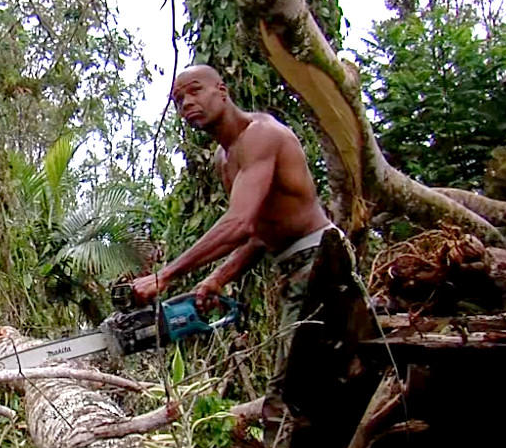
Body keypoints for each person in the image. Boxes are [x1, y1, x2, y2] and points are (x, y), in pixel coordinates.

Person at [132, 64, 349, 421]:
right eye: (178, 99)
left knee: (291, 392)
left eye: (195, 91)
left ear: (222, 89)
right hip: (295, 267)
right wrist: (218, 278)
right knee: (310, 385)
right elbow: (256, 233)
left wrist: (166, 275)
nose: (186, 103)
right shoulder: (224, 158)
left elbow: (238, 221)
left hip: (320, 261)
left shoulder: (261, 135)